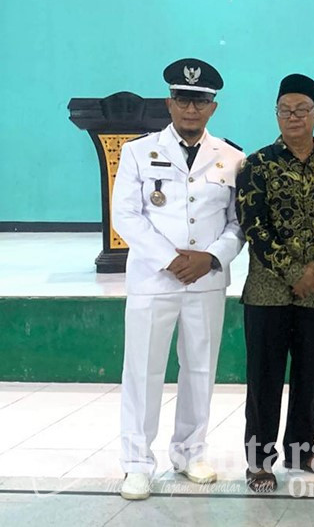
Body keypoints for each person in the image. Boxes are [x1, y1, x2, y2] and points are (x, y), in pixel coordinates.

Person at [112, 58, 245, 501]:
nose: (191, 109)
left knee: (200, 369)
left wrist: (211, 258)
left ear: (213, 107)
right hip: (154, 280)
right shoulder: (137, 152)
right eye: (183, 99)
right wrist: (170, 260)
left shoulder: (231, 157)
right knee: (143, 371)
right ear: (169, 103)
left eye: (200, 102)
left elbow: (238, 224)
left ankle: (190, 452)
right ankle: (136, 463)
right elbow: (126, 215)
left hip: (205, 281)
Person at [236, 74, 314, 493]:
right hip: (267, 291)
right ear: (276, 114)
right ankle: (259, 461)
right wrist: (292, 272)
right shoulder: (256, 164)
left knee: (309, 376)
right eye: (285, 110)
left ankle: (302, 450)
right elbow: (253, 226)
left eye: (302, 109)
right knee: (263, 378)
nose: (294, 117)